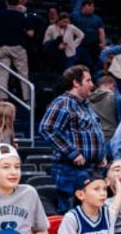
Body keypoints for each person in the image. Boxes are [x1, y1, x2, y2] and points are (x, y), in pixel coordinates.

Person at [39, 66, 106, 213]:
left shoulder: (85, 105)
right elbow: (47, 128)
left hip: (90, 168)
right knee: (72, 212)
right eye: (88, 80)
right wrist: (72, 153)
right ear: (76, 83)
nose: (92, 84)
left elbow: (93, 132)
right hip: (70, 171)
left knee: (89, 213)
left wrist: (101, 156)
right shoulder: (64, 102)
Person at [0, 0, 34, 102]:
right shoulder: (22, 15)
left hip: (3, 47)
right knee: (23, 74)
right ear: (18, 3)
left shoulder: (0, 14)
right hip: (18, 48)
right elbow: (31, 33)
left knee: (3, 73)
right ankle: (26, 98)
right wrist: (22, 32)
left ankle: (2, 98)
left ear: (7, 3)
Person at [89, 75, 121, 146]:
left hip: (94, 139)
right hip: (112, 138)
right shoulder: (117, 98)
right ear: (111, 85)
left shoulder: (87, 100)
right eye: (115, 87)